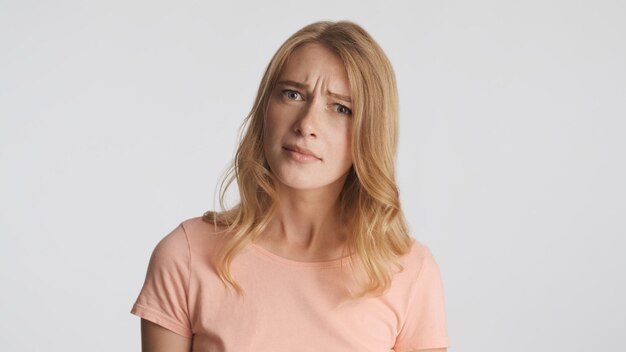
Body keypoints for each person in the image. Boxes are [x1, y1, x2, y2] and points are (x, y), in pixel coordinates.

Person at [130, 20, 449, 352]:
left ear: (370, 131)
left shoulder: (407, 271)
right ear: (266, 108)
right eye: (293, 94)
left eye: (341, 108)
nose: (307, 124)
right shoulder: (187, 255)